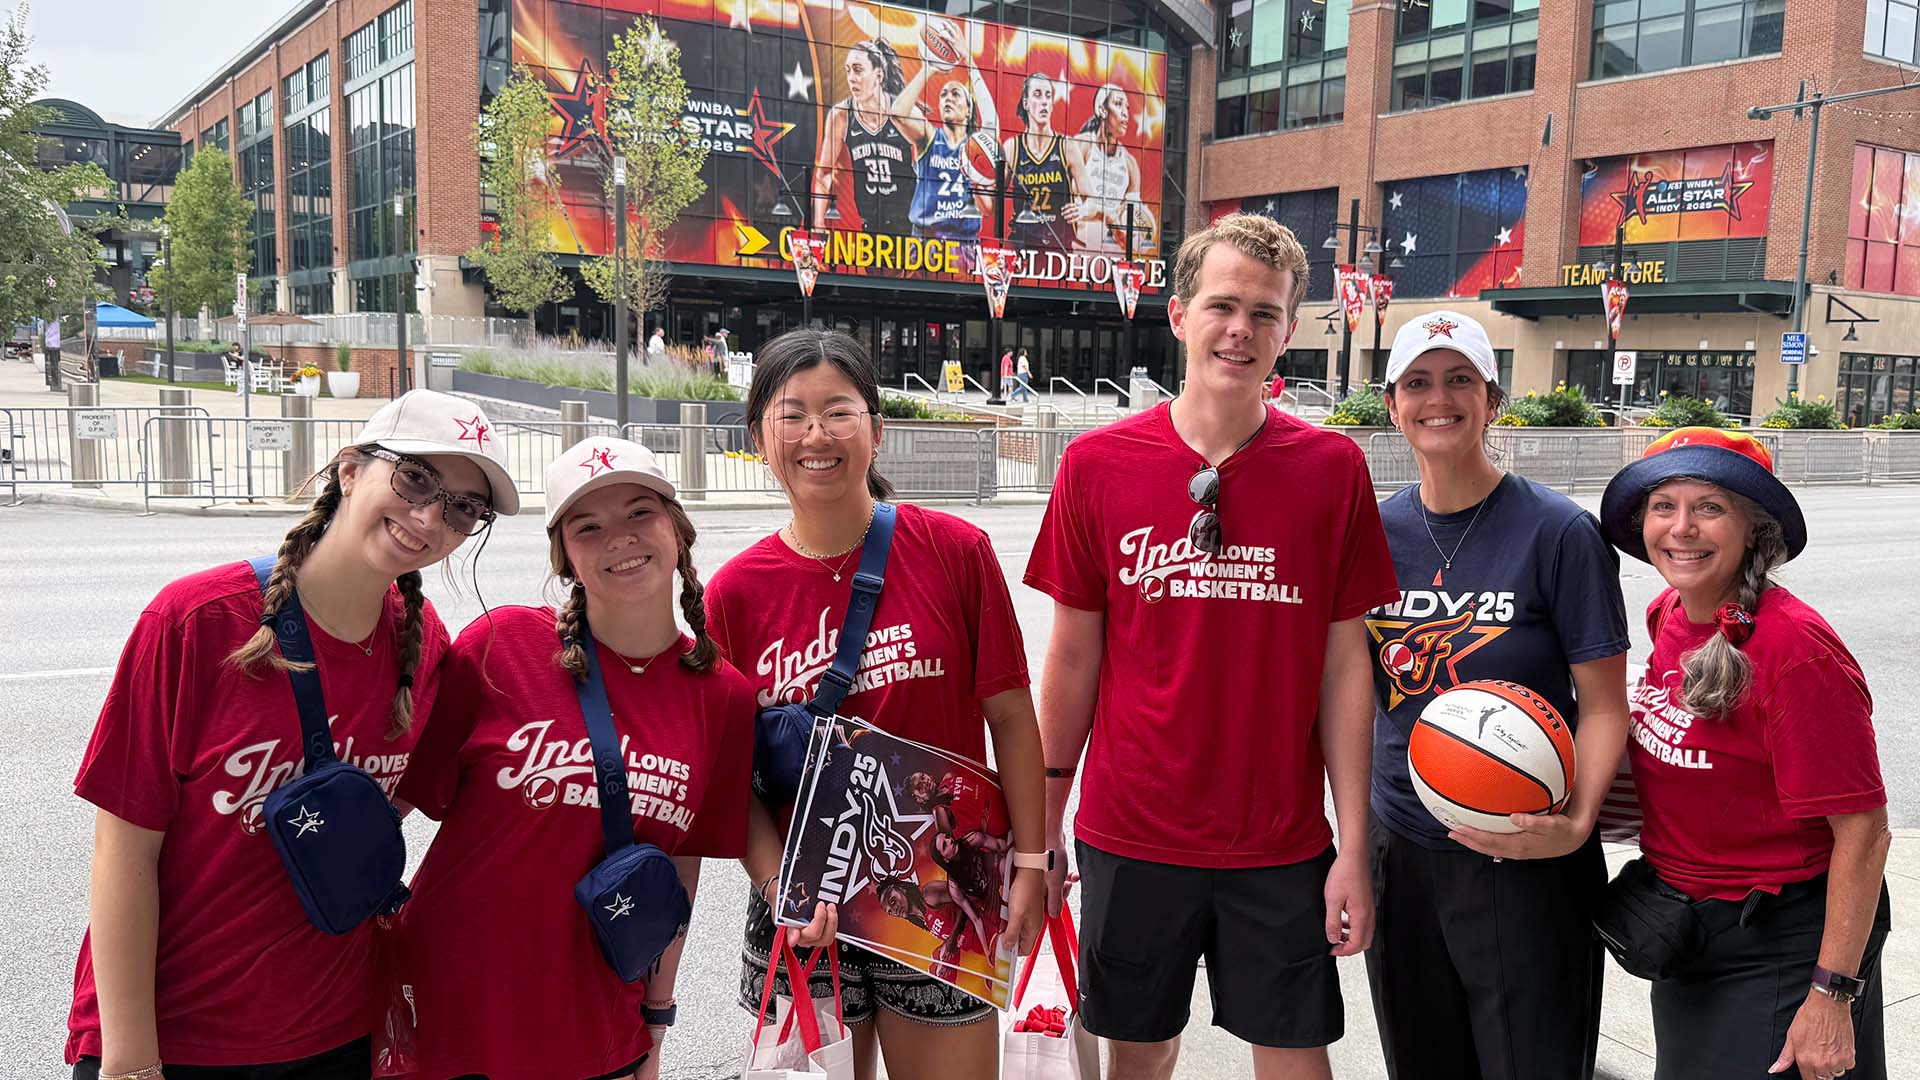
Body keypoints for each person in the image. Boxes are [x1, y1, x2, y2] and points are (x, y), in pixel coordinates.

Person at [1028, 212, 1399, 1080]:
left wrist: (1352, 845)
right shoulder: (1097, 464)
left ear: (1290, 331)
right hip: (1132, 831)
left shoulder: (1332, 469)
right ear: (1179, 313)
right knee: (1141, 1053)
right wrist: (1040, 829)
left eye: (1265, 313)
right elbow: (1072, 658)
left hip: (1280, 839)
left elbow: (1348, 668)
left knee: (1298, 1058)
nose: (1242, 330)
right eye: (1224, 306)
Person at [65, 390, 515, 1080]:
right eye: (416, 478)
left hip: (333, 1033)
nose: (429, 517)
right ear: (350, 470)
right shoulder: (199, 620)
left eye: (463, 508)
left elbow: (373, 826)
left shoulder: (424, 654)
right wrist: (130, 1060)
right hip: (175, 1036)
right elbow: (122, 849)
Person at [708, 328, 1047, 1080]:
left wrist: (1031, 862)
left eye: (839, 411)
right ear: (758, 434)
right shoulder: (733, 594)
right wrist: (778, 891)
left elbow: (1014, 717)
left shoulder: (955, 551)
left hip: (943, 893)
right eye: (790, 414)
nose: (816, 435)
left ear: (878, 428)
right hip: (805, 910)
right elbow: (729, 778)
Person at [381, 437, 753, 1080]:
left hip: (596, 1022)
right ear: (565, 559)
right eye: (588, 526)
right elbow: (398, 807)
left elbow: (677, 874)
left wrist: (657, 1020)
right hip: (448, 1004)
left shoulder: (724, 697)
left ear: (679, 530)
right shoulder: (499, 647)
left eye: (641, 512)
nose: (619, 537)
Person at [1361, 310, 1631, 1080]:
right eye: (1417, 382)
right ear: (1392, 404)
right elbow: (1351, 698)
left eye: (1459, 381)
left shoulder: (1558, 532)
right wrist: (1355, 844)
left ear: (1493, 399)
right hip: (1404, 846)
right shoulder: (1371, 532)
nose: (1437, 399)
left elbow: (1606, 703)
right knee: (1422, 1061)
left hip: (1526, 850)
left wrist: (1577, 821)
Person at [1598, 427, 1893, 1080]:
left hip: (1781, 944)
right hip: (1690, 934)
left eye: (1710, 507)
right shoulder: (1668, 613)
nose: (1682, 528)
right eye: (1664, 505)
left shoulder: (1795, 653)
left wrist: (1831, 994)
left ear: (1754, 529)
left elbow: (1865, 834)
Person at [898, 22, 999, 240]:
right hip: (925, 239)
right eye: (943, 94)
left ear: (969, 109)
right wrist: (929, 66)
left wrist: (967, 58)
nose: (948, 99)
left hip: (963, 241)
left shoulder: (978, 145)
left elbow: (991, 119)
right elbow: (898, 113)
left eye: (955, 94)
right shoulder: (930, 136)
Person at [815, 40, 918, 235]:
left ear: (878, 75)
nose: (851, 78)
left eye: (857, 70)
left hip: (907, 222)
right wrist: (819, 225)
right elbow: (824, 174)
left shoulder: (902, 111)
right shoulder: (842, 115)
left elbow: (927, 162)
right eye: (848, 71)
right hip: (870, 222)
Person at [1070, 84, 1157, 255]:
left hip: (1113, 252)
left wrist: (1137, 236)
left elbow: (1132, 218)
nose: (1125, 113)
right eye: (1118, 104)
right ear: (1102, 110)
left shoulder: (1130, 164)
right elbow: (1066, 200)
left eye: (1127, 107)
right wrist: (1100, 212)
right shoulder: (1081, 146)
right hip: (1077, 248)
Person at [1003, 71, 1078, 251]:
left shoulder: (1067, 146)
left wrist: (1082, 208)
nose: (1044, 101)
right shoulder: (1013, 147)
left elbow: (1092, 197)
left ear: (1052, 104)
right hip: (1021, 243)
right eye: (1037, 95)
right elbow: (993, 200)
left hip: (1058, 245)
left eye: (1048, 95)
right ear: (1026, 103)